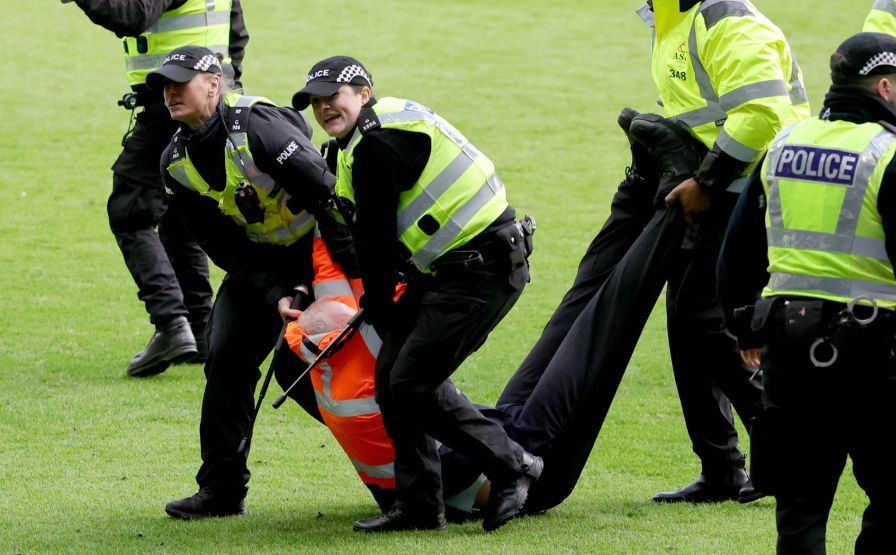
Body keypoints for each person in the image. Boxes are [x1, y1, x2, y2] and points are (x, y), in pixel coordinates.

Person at [499, 0, 811, 504]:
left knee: (708, 323)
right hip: (723, 188)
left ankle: (783, 451)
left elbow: (763, 112)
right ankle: (723, 468)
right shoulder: (672, 19)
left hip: (750, 192)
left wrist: (705, 181)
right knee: (689, 322)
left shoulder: (721, 17)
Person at [291, 56, 541, 532]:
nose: (324, 109)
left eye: (333, 97)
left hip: (481, 270)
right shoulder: (362, 139)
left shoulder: (377, 143)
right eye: (316, 102)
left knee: (410, 383)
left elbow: (376, 238)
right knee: (392, 380)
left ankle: (513, 466)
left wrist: (380, 305)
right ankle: (421, 507)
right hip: (450, 271)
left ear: (363, 93)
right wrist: (382, 305)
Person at [277, 227, 643, 522]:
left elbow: (329, 266)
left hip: (492, 441)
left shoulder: (307, 369)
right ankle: (654, 214)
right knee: (597, 326)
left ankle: (638, 205)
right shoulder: (377, 359)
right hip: (530, 473)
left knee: (579, 318)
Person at [144, 46, 348, 519]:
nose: (170, 92)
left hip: (326, 252)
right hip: (260, 266)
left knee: (304, 374)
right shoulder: (173, 164)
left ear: (213, 84)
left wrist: (322, 276)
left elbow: (330, 197)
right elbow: (224, 249)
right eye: (164, 86)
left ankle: (407, 461)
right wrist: (277, 292)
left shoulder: (258, 127)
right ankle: (221, 489)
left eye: (182, 82)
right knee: (226, 357)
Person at [718, 31, 896, 555]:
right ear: (885, 87)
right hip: (878, 357)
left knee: (800, 507)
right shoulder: (889, 155)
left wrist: (742, 327)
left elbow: (737, 250)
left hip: (790, 351)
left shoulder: (784, 145)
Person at [64, 0, 249, 377]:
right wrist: (222, 89)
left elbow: (132, 15)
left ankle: (170, 324)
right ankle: (199, 329)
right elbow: (237, 33)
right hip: (209, 101)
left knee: (130, 213)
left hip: (173, 104)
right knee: (184, 217)